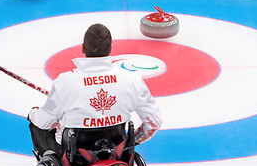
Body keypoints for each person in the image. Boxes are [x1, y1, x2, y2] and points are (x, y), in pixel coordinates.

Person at [28, 23, 163, 157]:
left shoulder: (65, 81)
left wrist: (33, 114)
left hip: (75, 156)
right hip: (117, 151)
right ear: (110, 48)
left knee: (38, 127)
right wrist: (132, 141)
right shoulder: (132, 80)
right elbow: (154, 122)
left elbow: (45, 122)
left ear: (83, 48)